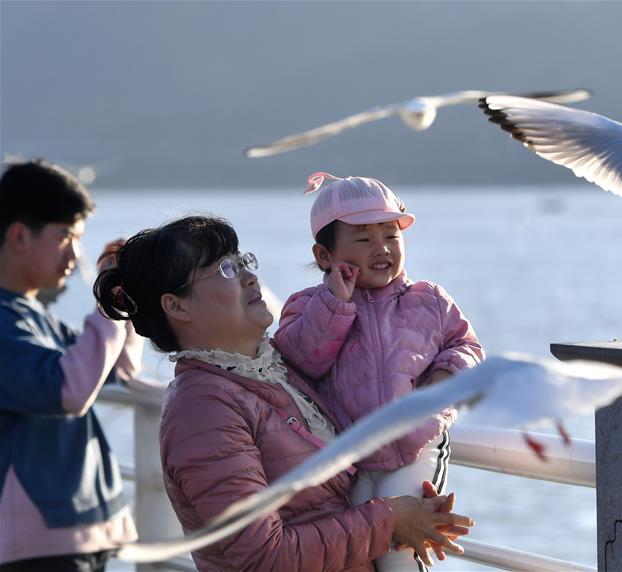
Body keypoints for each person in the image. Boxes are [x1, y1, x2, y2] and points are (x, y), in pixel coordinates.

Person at [93, 215, 472, 571]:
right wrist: (390, 520)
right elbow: (262, 555)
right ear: (176, 306)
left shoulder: (277, 370)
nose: (250, 277)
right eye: (227, 269)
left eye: (243, 262)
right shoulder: (202, 410)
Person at [273, 173, 484, 570]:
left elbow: (467, 347)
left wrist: (441, 385)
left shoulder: (429, 300)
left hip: (414, 449)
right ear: (324, 256)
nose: (382, 248)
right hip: (348, 465)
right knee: (356, 556)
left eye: (391, 235)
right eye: (364, 238)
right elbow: (301, 360)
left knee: (399, 556)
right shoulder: (305, 306)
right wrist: (335, 302)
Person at [0, 160, 143, 571]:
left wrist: (122, 298)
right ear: (19, 236)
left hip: (72, 532)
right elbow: (68, 390)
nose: (75, 253)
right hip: (36, 543)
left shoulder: (32, 317)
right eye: (65, 236)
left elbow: (117, 371)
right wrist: (106, 301)